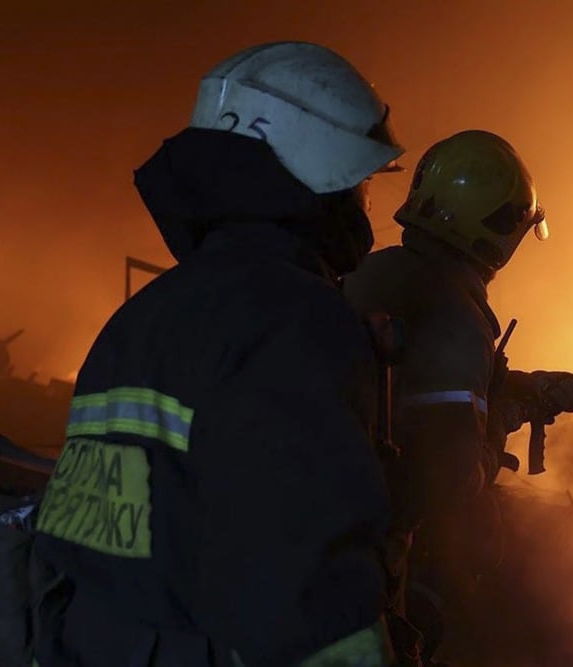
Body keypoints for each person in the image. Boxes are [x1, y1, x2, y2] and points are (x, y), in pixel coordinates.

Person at [28, 41, 405, 667]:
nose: (366, 203)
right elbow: (306, 586)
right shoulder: (295, 319)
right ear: (320, 170)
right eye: (359, 182)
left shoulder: (142, 316)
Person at [342, 130, 573, 664]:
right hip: (370, 562)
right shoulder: (455, 311)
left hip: (324, 529)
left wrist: (520, 385)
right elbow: (446, 479)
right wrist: (499, 420)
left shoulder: (379, 271)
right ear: (496, 231)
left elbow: (411, 382)